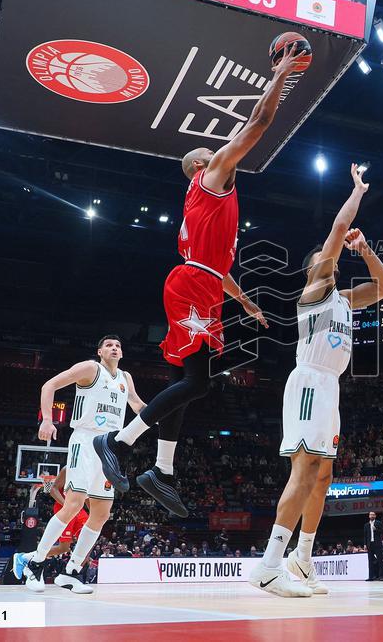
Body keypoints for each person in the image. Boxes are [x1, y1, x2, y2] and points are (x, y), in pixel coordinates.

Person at [92, 45, 305, 516]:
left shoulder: (205, 204)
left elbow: (220, 270)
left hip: (202, 282)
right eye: (215, 155)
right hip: (192, 287)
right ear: (200, 167)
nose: (225, 156)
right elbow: (259, 124)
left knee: (187, 378)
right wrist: (280, 79)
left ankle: (162, 471)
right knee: (200, 382)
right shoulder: (212, 180)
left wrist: (245, 302)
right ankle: (120, 443)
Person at [249, 166, 383, 598]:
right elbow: (337, 226)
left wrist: (366, 249)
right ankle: (270, 563)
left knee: (324, 475)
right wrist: (358, 191)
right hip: (310, 382)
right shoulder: (313, 290)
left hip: (330, 386)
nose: (330, 261)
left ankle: (303, 557)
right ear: (313, 269)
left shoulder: (345, 300)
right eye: (324, 259)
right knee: (305, 468)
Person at [22, 335, 146, 594]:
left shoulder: (126, 378)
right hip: (85, 440)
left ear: (122, 353)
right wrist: (47, 420)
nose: (114, 348)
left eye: (118, 346)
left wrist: (161, 413)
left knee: (101, 514)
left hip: (110, 447)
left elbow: (136, 404)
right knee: (75, 503)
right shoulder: (90, 368)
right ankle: (35, 563)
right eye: (109, 345)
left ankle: (71, 571)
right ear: (100, 351)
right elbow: (50, 385)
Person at [11, 467, 90, 582]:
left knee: (88, 541)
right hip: (64, 507)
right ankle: (24, 557)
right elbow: (53, 490)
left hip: (79, 509)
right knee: (64, 548)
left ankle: (72, 574)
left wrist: (95, 514)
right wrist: (67, 507)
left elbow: (88, 496)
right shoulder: (69, 468)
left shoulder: (93, 471)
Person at [364, 511, 383, 581]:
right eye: (370, 515)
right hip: (370, 544)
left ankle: (381, 576)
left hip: (377, 544)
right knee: (370, 561)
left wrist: (376, 530)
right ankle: (371, 577)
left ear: (375, 516)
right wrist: (365, 544)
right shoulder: (366, 525)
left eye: (373, 515)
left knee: (380, 560)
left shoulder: (378, 523)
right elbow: (365, 536)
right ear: (369, 516)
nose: (372, 516)